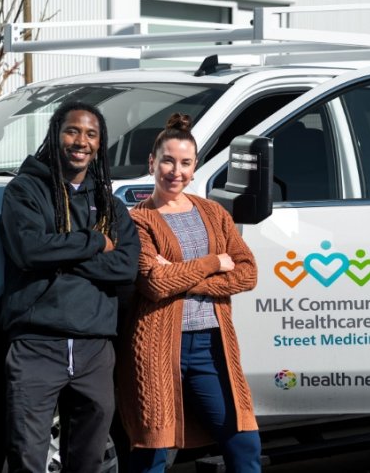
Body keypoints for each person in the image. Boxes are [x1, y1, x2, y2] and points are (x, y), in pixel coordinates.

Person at [0, 100, 141, 473]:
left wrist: (60, 254)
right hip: (36, 344)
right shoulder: (25, 191)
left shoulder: (109, 205)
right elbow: (29, 250)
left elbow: (126, 267)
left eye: (91, 134)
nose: (81, 141)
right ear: (55, 135)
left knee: (87, 460)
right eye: (72, 131)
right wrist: (93, 242)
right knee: (27, 457)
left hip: (95, 347)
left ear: (100, 143)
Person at [116, 112, 261, 472]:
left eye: (184, 163)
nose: (175, 171)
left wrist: (179, 275)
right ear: (152, 163)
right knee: (153, 449)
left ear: (195, 168)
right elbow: (153, 283)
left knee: (243, 440)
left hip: (212, 345)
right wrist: (214, 261)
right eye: (167, 160)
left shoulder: (213, 213)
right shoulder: (137, 220)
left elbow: (247, 273)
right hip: (158, 346)